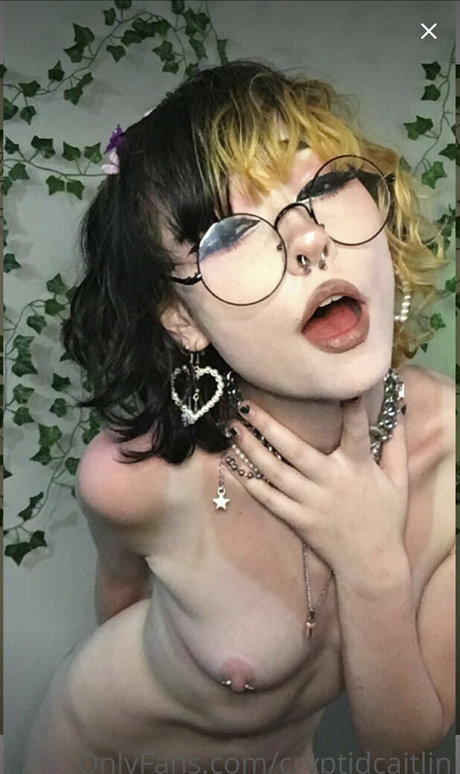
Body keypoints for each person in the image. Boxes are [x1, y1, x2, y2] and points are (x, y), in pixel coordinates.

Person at [23, 60, 454, 774]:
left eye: (321, 186)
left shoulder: (449, 442)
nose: (307, 238)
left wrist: (372, 562)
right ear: (181, 319)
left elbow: (402, 752)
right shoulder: (133, 479)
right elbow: (121, 604)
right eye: (228, 235)